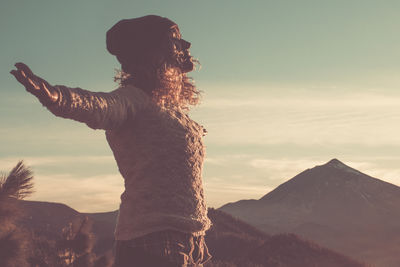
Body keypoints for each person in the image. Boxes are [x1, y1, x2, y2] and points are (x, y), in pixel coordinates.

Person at [10, 15, 212, 267]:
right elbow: (99, 106)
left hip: (190, 241)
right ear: (152, 54)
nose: (187, 45)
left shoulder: (169, 110)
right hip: (154, 242)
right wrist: (57, 96)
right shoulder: (132, 100)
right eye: (175, 39)